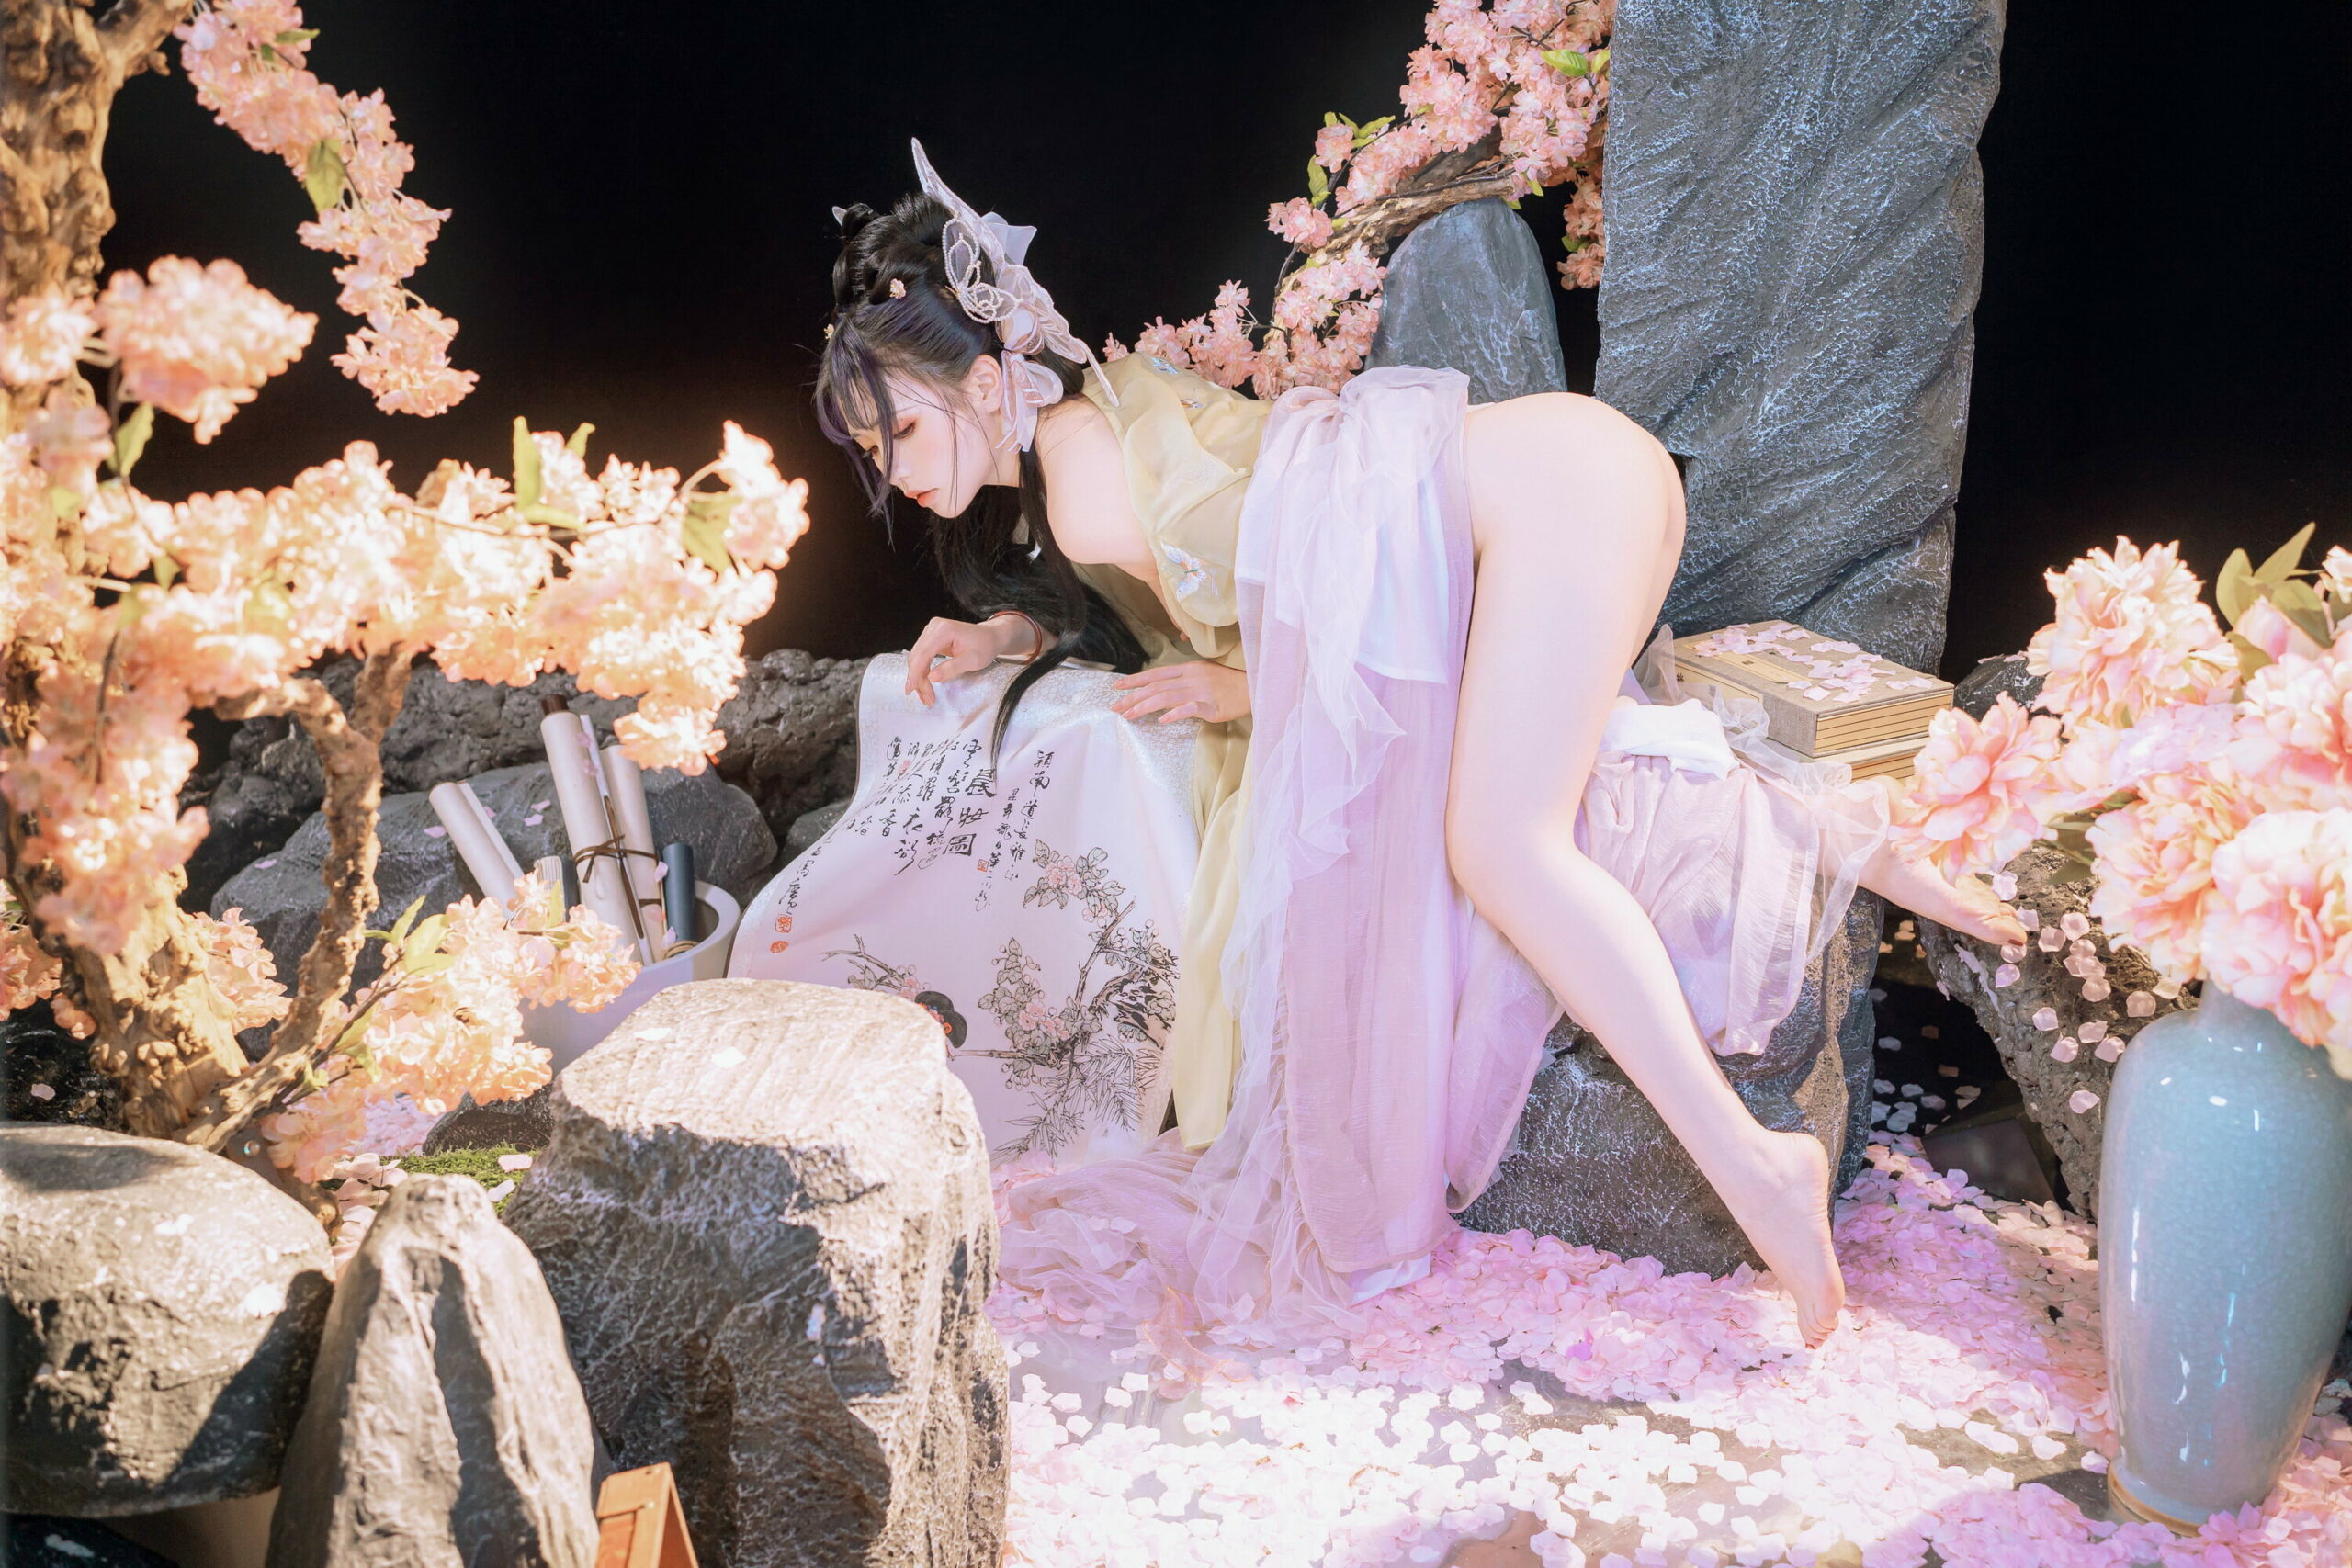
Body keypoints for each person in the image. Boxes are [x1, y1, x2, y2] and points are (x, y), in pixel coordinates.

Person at [808, 142, 2025, 1350]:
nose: (891, 469)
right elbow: (1200, 585)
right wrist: (1007, 631)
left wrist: (1240, 683)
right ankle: (1837, 832)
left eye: (899, 428)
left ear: (986, 384)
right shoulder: (1097, 426)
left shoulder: (1081, 482)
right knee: (1502, 789)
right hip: (1582, 478)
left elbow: (1318, 574)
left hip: (1560, 502)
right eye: (872, 450)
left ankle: (1757, 1164)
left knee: (1500, 846)